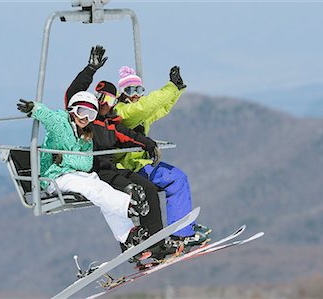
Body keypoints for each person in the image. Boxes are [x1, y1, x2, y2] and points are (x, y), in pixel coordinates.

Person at [63, 45, 173, 259]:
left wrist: (148, 144)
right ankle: (132, 247)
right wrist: (90, 70)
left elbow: (130, 136)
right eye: (102, 98)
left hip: (112, 170)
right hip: (94, 173)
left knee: (149, 190)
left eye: (110, 100)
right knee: (130, 193)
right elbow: (72, 97)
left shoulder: (112, 124)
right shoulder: (85, 120)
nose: (105, 104)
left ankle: (155, 244)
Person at [16, 91, 150, 251]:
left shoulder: (86, 136)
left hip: (77, 175)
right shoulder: (61, 124)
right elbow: (48, 116)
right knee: (91, 188)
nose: (85, 118)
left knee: (102, 188)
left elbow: (86, 164)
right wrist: (34, 108)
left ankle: (128, 235)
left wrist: (64, 158)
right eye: (82, 111)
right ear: (73, 109)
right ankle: (128, 205)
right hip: (54, 176)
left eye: (91, 115)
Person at [113, 65, 211, 249]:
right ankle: (172, 236)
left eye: (139, 90)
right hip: (126, 168)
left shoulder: (138, 115)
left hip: (139, 164)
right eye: (130, 90)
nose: (135, 94)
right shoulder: (122, 113)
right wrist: (171, 88)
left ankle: (181, 231)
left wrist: (177, 91)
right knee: (162, 186)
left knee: (178, 178)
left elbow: (160, 109)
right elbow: (145, 107)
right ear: (122, 93)